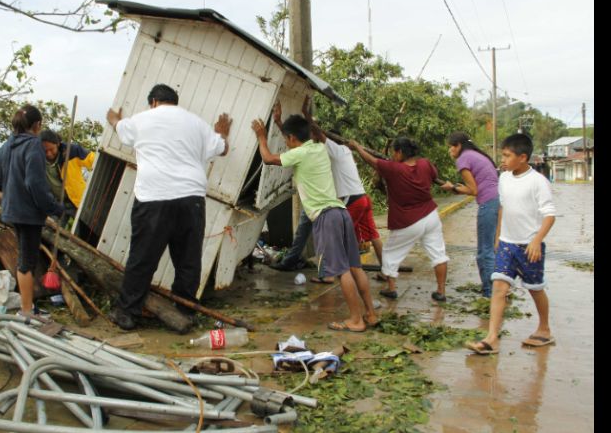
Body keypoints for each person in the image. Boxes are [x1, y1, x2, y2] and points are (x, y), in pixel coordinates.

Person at [105, 84, 233, 330]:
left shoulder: (140, 120)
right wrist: (222, 134)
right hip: (191, 198)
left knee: (142, 258)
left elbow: (119, 128)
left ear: (153, 102)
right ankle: (185, 311)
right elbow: (223, 149)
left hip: (154, 197)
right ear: (174, 101)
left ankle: (127, 313)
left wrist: (114, 118)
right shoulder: (196, 123)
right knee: (188, 260)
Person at [252, 110, 378, 332]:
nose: (286, 143)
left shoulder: (298, 153)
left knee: (342, 271)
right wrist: (283, 122)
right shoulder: (319, 148)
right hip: (341, 212)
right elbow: (304, 135)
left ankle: (356, 320)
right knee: (355, 267)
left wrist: (261, 136)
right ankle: (370, 314)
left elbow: (268, 158)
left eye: (286, 139)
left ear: (292, 139)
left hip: (325, 217)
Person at [269, 98, 384, 281]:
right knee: (372, 234)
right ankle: (385, 270)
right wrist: (280, 123)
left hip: (341, 201)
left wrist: (306, 115)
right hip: (361, 198)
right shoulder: (341, 151)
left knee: (332, 240)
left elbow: (305, 137)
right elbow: (296, 139)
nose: (314, 138)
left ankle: (331, 274)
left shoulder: (330, 149)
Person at [466, 134, 556, 355]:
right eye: (502, 155)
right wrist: (498, 237)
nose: (502, 160)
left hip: (529, 246)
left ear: (523, 157)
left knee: (535, 289)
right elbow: (503, 208)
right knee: (498, 287)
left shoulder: (538, 182)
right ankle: (491, 338)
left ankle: (544, 328)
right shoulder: (504, 178)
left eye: (507, 155)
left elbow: (550, 215)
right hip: (507, 244)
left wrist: (536, 241)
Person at [350, 136, 450, 302]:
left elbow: (372, 161)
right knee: (439, 254)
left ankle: (391, 289)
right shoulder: (425, 163)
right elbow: (434, 176)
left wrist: (357, 146)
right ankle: (441, 291)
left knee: (390, 254)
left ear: (400, 152)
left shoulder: (394, 169)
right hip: (431, 216)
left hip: (407, 221)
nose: (393, 155)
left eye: (394, 152)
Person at [0, 105, 65, 319]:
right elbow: (35, 183)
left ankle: (28, 308)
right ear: (37, 125)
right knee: (26, 262)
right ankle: (26, 312)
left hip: (12, 211)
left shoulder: (6, 146)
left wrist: (13, 190)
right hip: (28, 213)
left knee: (26, 259)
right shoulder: (34, 145)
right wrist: (54, 208)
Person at [439, 132, 499, 297]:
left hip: (488, 202)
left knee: (484, 251)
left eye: (451, 147)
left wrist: (452, 188)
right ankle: (496, 290)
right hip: (497, 201)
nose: (450, 151)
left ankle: (490, 293)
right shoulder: (476, 154)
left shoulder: (463, 159)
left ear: (458, 145)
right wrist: (456, 187)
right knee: (490, 249)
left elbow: (473, 190)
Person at [39, 129, 96, 228]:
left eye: (51, 149)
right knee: (48, 231)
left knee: (86, 232)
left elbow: (93, 159)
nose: (48, 154)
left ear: (58, 144)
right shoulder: (36, 159)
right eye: (45, 151)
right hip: (56, 203)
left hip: (77, 201)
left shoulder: (72, 151)